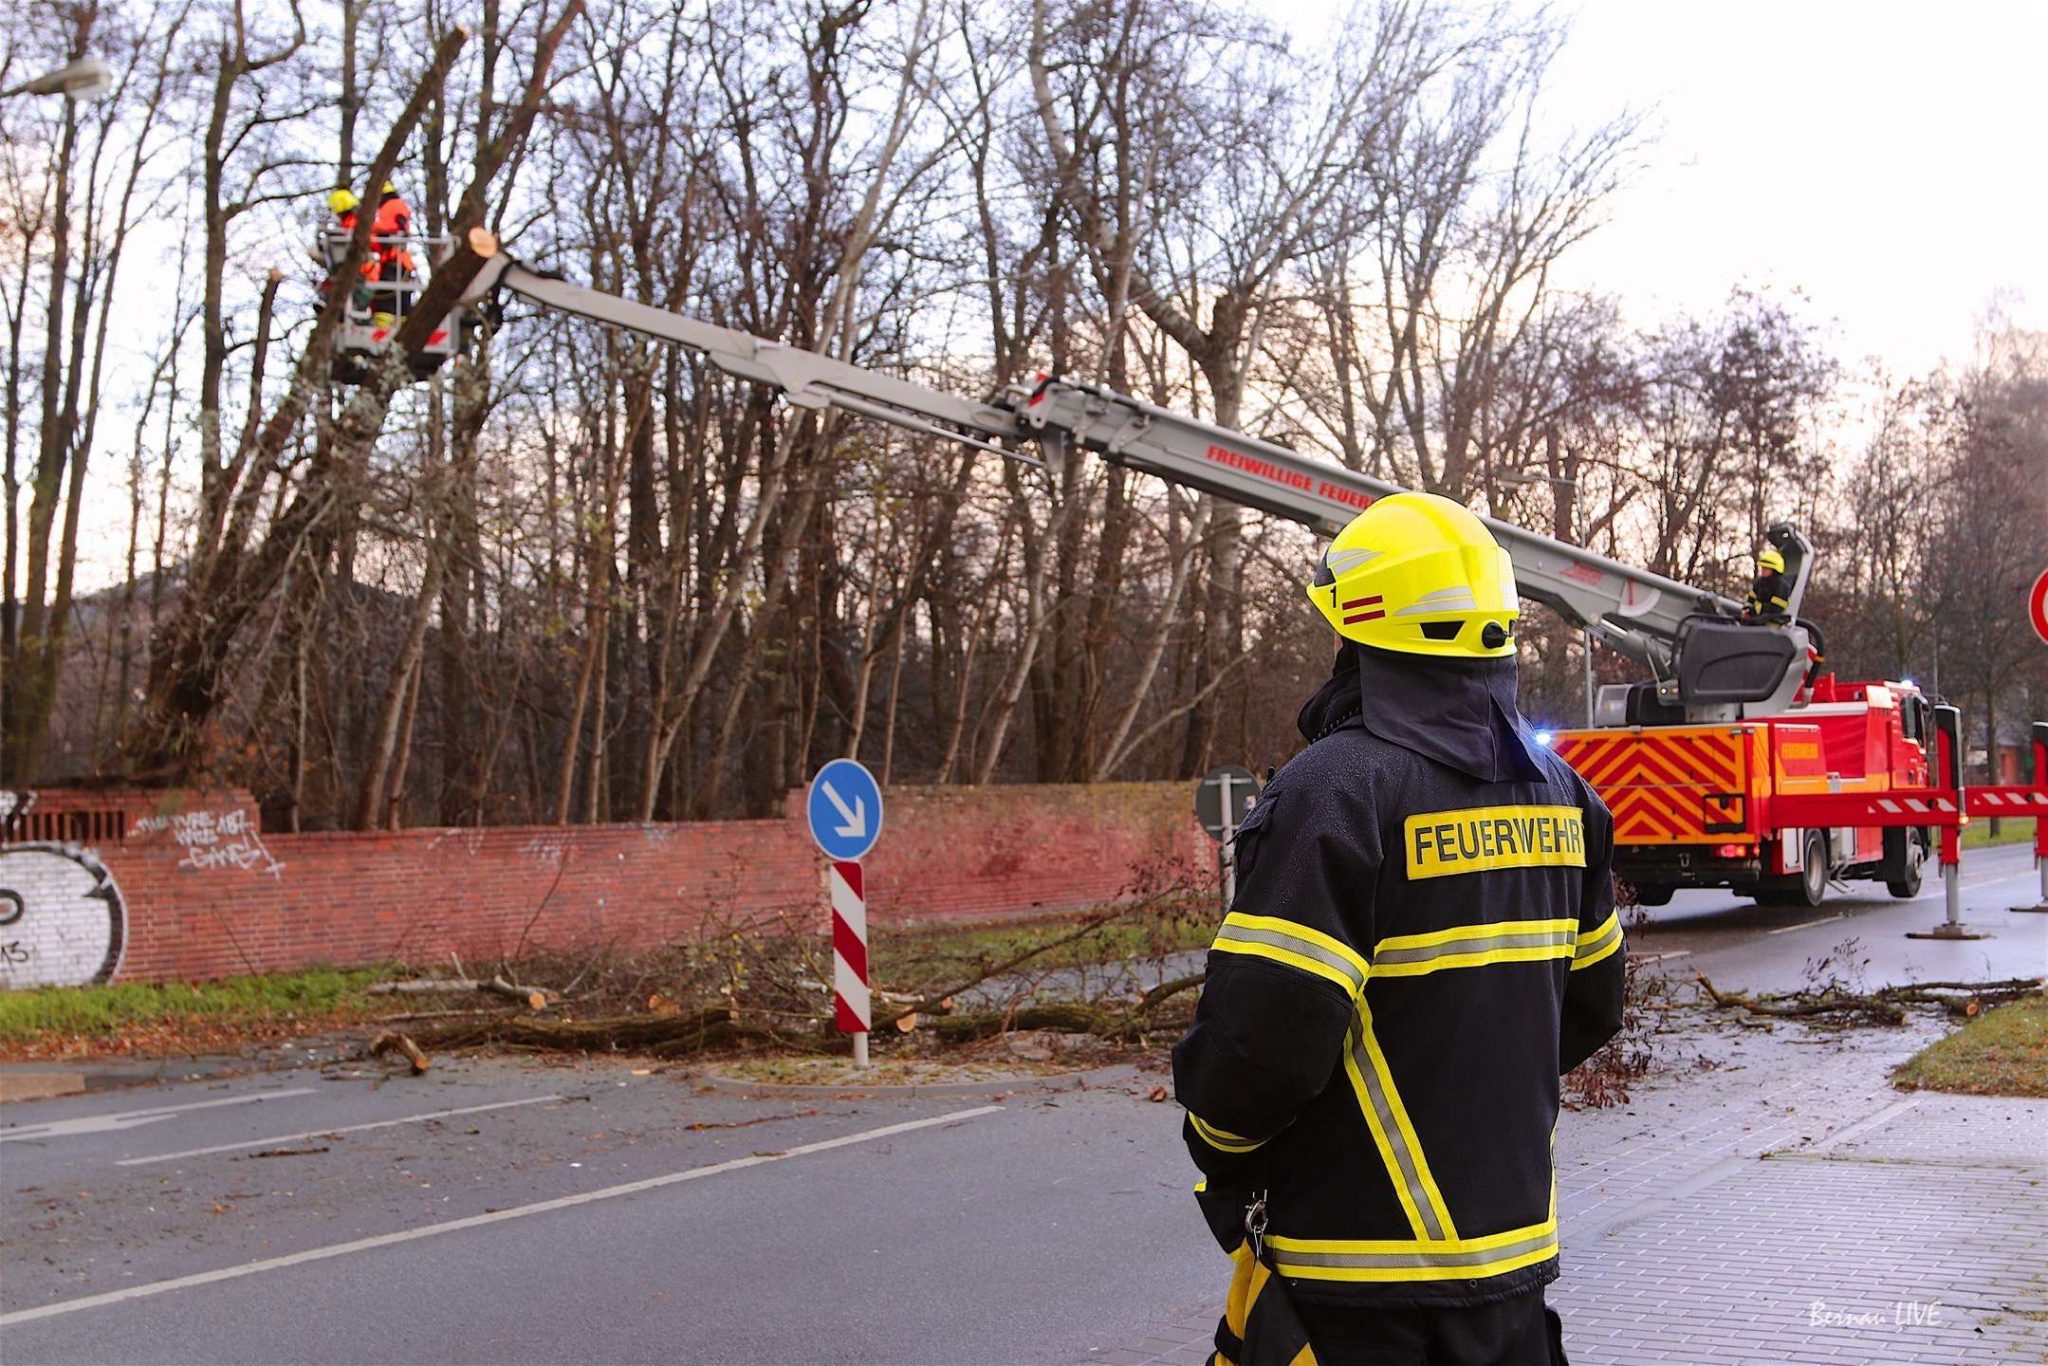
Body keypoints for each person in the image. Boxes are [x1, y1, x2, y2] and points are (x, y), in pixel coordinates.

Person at [1173, 492, 1626, 1366]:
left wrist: (1218, 1148)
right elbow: (1591, 1008)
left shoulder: (1334, 792)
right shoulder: (1565, 795)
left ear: (1361, 632)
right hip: (1515, 1276)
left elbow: (1259, 1046)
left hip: (1357, 1288)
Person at [369, 181, 417, 329]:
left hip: (395, 260)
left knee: (387, 299)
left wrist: (369, 227)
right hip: (398, 261)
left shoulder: (392, 205)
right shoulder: (393, 205)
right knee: (401, 300)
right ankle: (402, 328)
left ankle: (383, 328)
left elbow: (393, 228)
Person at [1742, 546, 1791, 623]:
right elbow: (1750, 600)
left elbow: (1775, 609)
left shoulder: (1782, 586)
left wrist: (1753, 611)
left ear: (1775, 570)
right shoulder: (1759, 583)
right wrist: (1746, 609)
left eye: (1766, 568)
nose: (1763, 570)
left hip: (1772, 624)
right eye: (1762, 567)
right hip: (1756, 621)